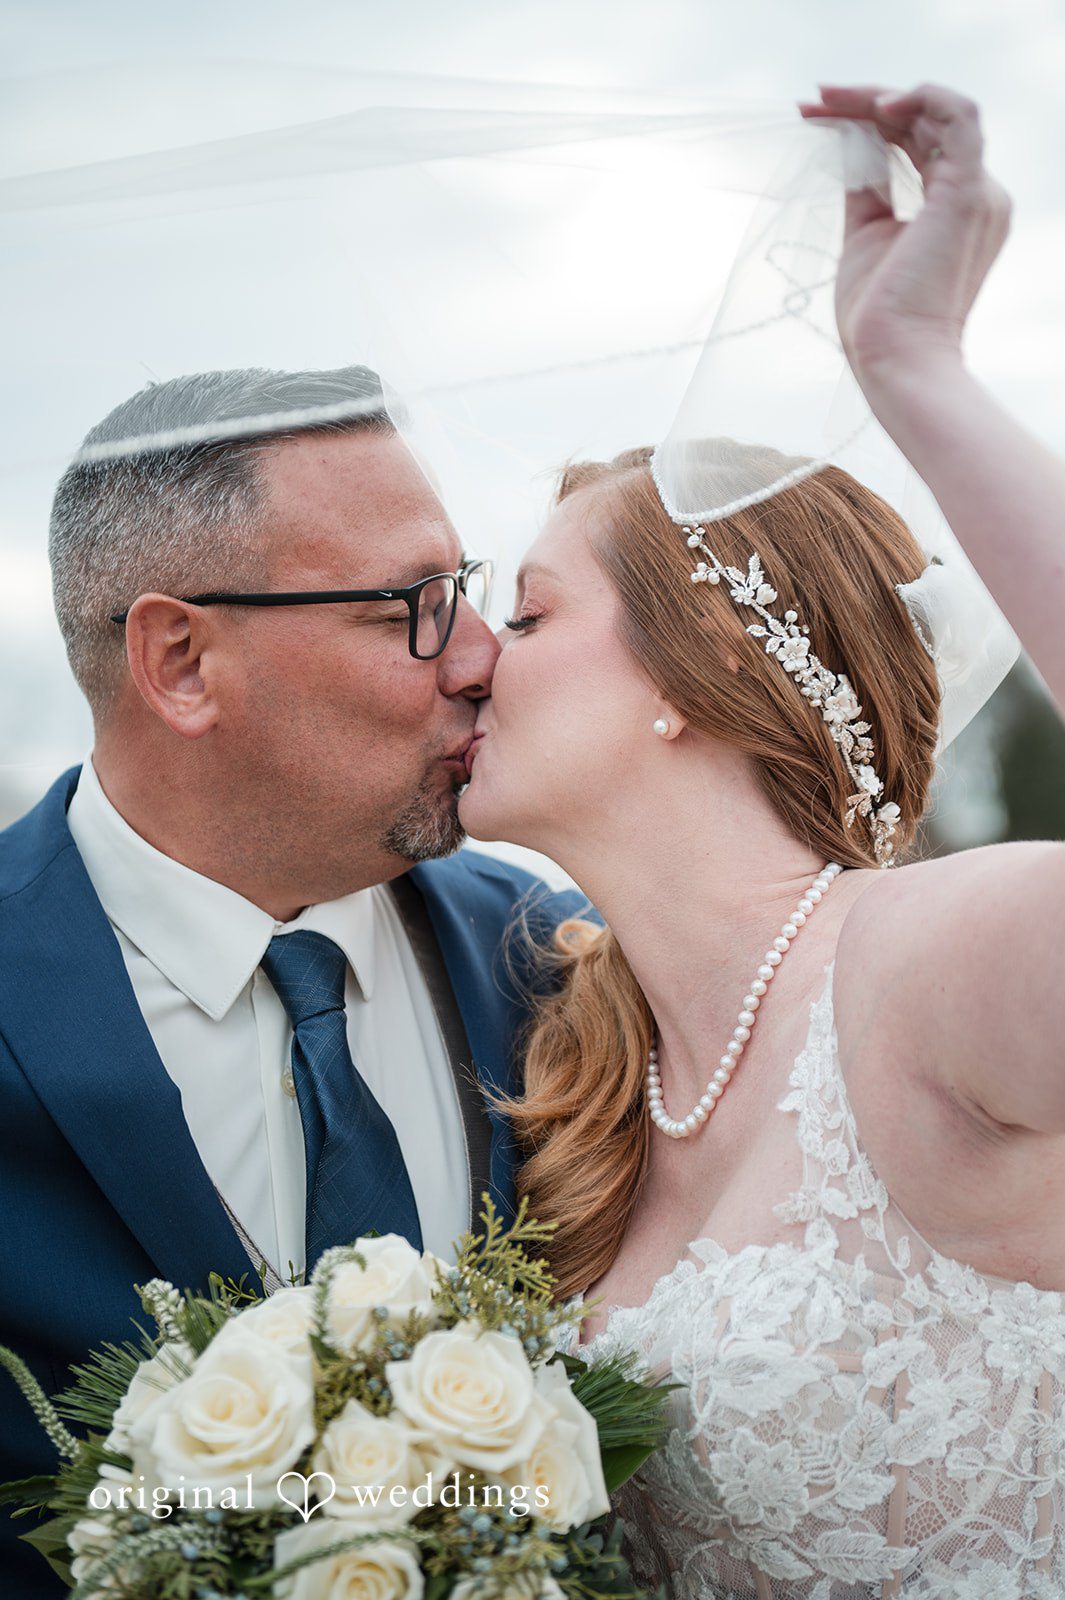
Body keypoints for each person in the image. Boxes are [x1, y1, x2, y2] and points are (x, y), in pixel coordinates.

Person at [459, 83, 1065, 1593]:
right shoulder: (573, 1077)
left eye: (526, 612)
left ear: (693, 678)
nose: (466, 655)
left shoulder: (934, 957)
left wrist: (915, 368)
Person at [0, 366, 582, 1598]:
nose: (481, 658)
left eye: (465, 589)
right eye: (412, 606)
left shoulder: (561, 968)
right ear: (181, 659)